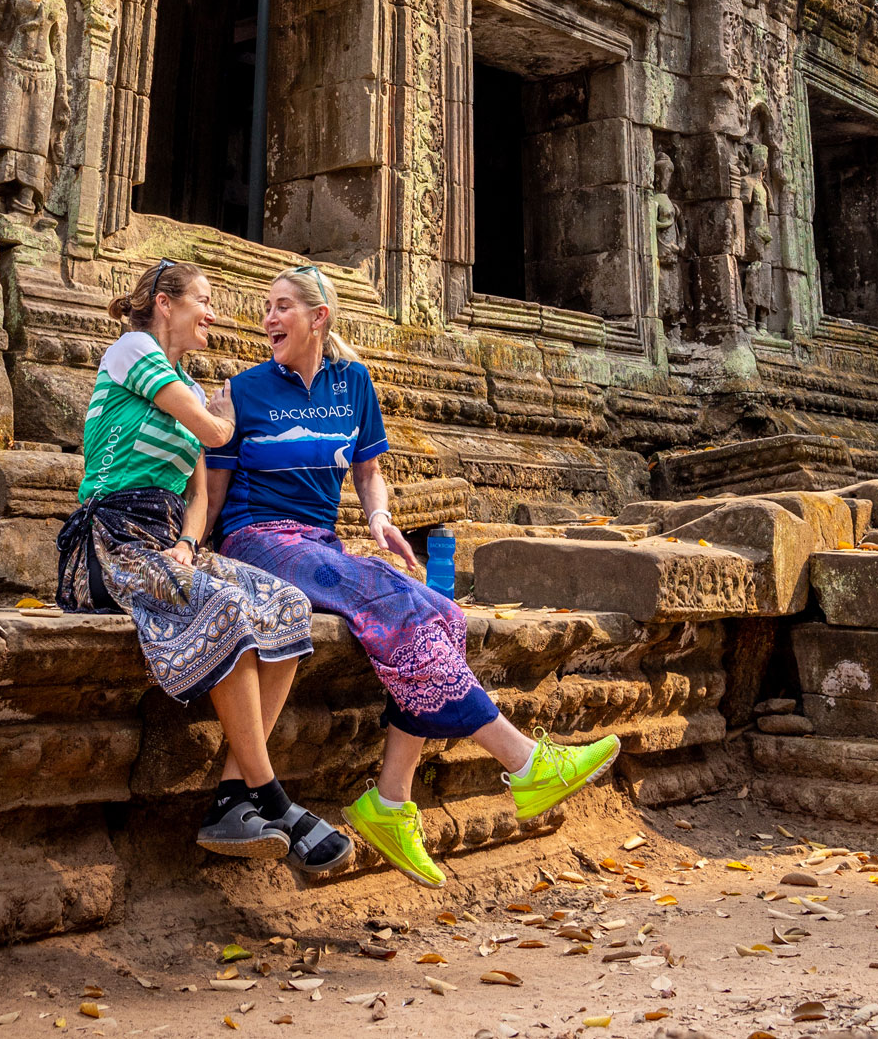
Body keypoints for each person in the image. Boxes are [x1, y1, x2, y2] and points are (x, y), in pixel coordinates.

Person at [205, 264, 621, 887]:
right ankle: (525, 761)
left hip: (319, 540)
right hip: (255, 539)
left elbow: (369, 469)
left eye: (282, 307)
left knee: (441, 612)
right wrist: (192, 547)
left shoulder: (355, 384)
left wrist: (378, 518)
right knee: (388, 601)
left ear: (319, 318)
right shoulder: (245, 390)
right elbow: (211, 487)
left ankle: (391, 801)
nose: (268, 318)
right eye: (268, 307)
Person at [56, 258, 352, 874]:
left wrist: (189, 546)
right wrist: (230, 413)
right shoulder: (133, 350)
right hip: (111, 541)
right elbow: (216, 435)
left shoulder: (188, 383)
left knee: (287, 604)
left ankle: (230, 797)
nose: (213, 313)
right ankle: (272, 798)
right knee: (223, 609)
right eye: (204, 300)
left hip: (166, 543)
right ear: (166, 303)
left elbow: (197, 496)